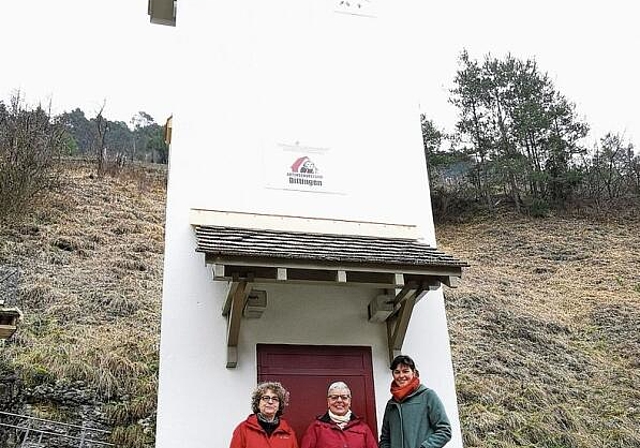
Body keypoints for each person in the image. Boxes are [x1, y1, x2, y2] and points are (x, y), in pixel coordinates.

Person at [379, 355, 451, 448]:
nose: (401, 376)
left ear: (414, 373)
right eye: (397, 372)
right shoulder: (391, 404)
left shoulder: (428, 396)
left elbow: (445, 430)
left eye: (405, 371)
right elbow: (385, 439)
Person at [301, 381, 377, 448]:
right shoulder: (316, 428)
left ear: (349, 401)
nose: (339, 401)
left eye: (344, 397)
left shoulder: (363, 428)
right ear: (328, 402)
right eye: (334, 397)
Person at [230, 381, 299, 448]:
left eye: (275, 399)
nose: (270, 402)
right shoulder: (243, 429)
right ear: (258, 403)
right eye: (266, 398)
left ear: (279, 405)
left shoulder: (288, 432)